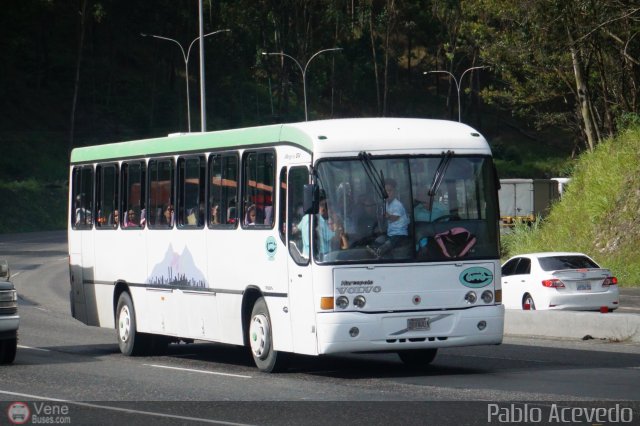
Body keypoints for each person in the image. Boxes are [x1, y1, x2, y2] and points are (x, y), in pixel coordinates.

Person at [367, 179, 409, 258]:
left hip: (400, 234)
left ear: (395, 192)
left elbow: (395, 218)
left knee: (390, 243)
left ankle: (380, 252)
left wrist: (388, 216)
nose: (387, 193)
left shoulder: (397, 205)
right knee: (378, 240)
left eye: (390, 191)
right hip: (390, 233)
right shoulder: (386, 204)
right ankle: (375, 249)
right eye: (385, 191)